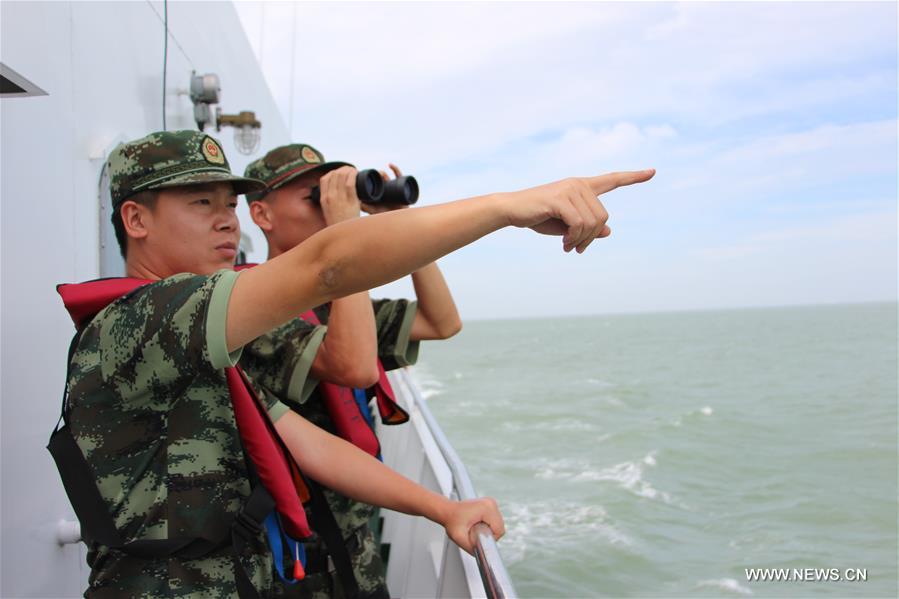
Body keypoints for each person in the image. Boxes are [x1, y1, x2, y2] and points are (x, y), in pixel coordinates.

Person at [57, 129, 654, 597]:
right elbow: (329, 267)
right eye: (200, 203)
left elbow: (306, 442)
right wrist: (507, 206)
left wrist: (443, 507)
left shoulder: (194, 338)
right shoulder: (139, 322)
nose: (226, 220)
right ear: (136, 221)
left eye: (229, 204)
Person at [240, 144, 461, 598]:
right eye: (312, 196)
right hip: (294, 551)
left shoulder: (338, 304)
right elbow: (354, 366)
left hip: (356, 536)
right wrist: (346, 236)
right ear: (262, 215)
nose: (327, 207)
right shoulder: (248, 309)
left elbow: (443, 322)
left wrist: (403, 225)